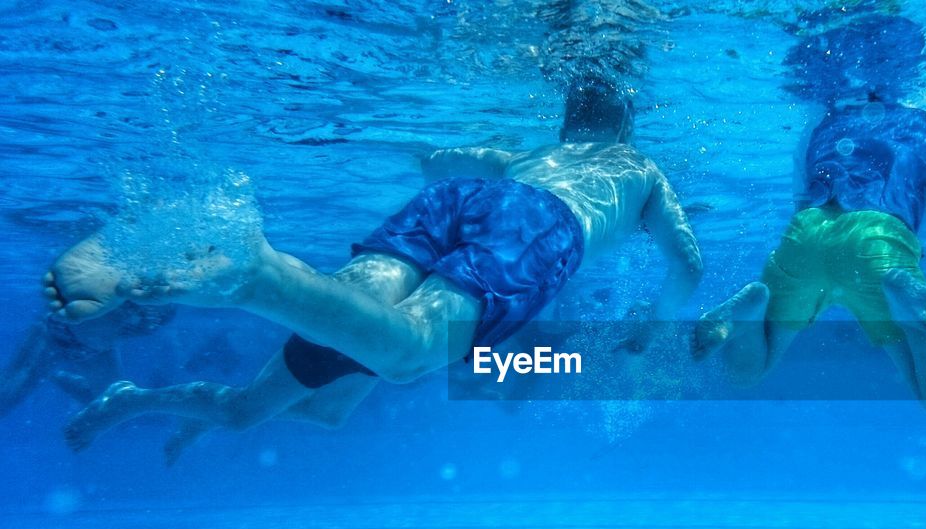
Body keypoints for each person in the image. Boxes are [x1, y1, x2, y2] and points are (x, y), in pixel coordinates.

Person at [44, 77, 703, 454]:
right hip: (539, 229)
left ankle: (131, 385)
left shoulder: (526, 154)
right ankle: (252, 273)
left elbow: (439, 163)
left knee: (276, 408)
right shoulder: (639, 168)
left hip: (460, 200)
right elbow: (689, 264)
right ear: (627, 127)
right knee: (409, 352)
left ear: (567, 123)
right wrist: (657, 322)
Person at [691, 15, 926, 434]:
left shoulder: (818, 126)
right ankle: (905, 296)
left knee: (744, 374)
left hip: (805, 236)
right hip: (879, 244)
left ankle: (751, 308)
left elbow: (801, 205)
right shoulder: (925, 121)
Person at [0, 303, 175, 418]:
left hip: (95, 351)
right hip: (55, 332)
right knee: (7, 397)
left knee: (112, 409)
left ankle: (56, 375)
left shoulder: (172, 298)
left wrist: (140, 324)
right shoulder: (133, 275)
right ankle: (51, 373)